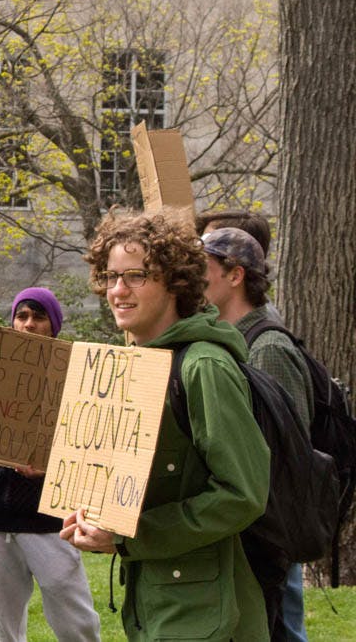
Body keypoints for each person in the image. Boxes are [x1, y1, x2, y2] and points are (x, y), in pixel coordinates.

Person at [63, 209, 271, 640]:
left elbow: (244, 493)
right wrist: (94, 515)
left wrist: (132, 536)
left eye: (136, 276)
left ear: (174, 281)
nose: (118, 290)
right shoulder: (132, 366)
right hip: (156, 600)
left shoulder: (204, 366)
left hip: (206, 613)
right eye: (110, 275)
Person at [0, 287, 100, 642]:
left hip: (50, 523)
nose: (28, 324)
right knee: (6, 628)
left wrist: (50, 468)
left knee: (77, 623)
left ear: (53, 325)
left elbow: (90, 455)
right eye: (22, 316)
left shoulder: (75, 380)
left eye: (38, 316)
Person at [203, 226, 315, 641]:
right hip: (246, 528)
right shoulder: (229, 341)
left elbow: (288, 451)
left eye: (205, 266)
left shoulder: (267, 347)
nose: (196, 277)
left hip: (269, 532)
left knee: (282, 630)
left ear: (235, 275)